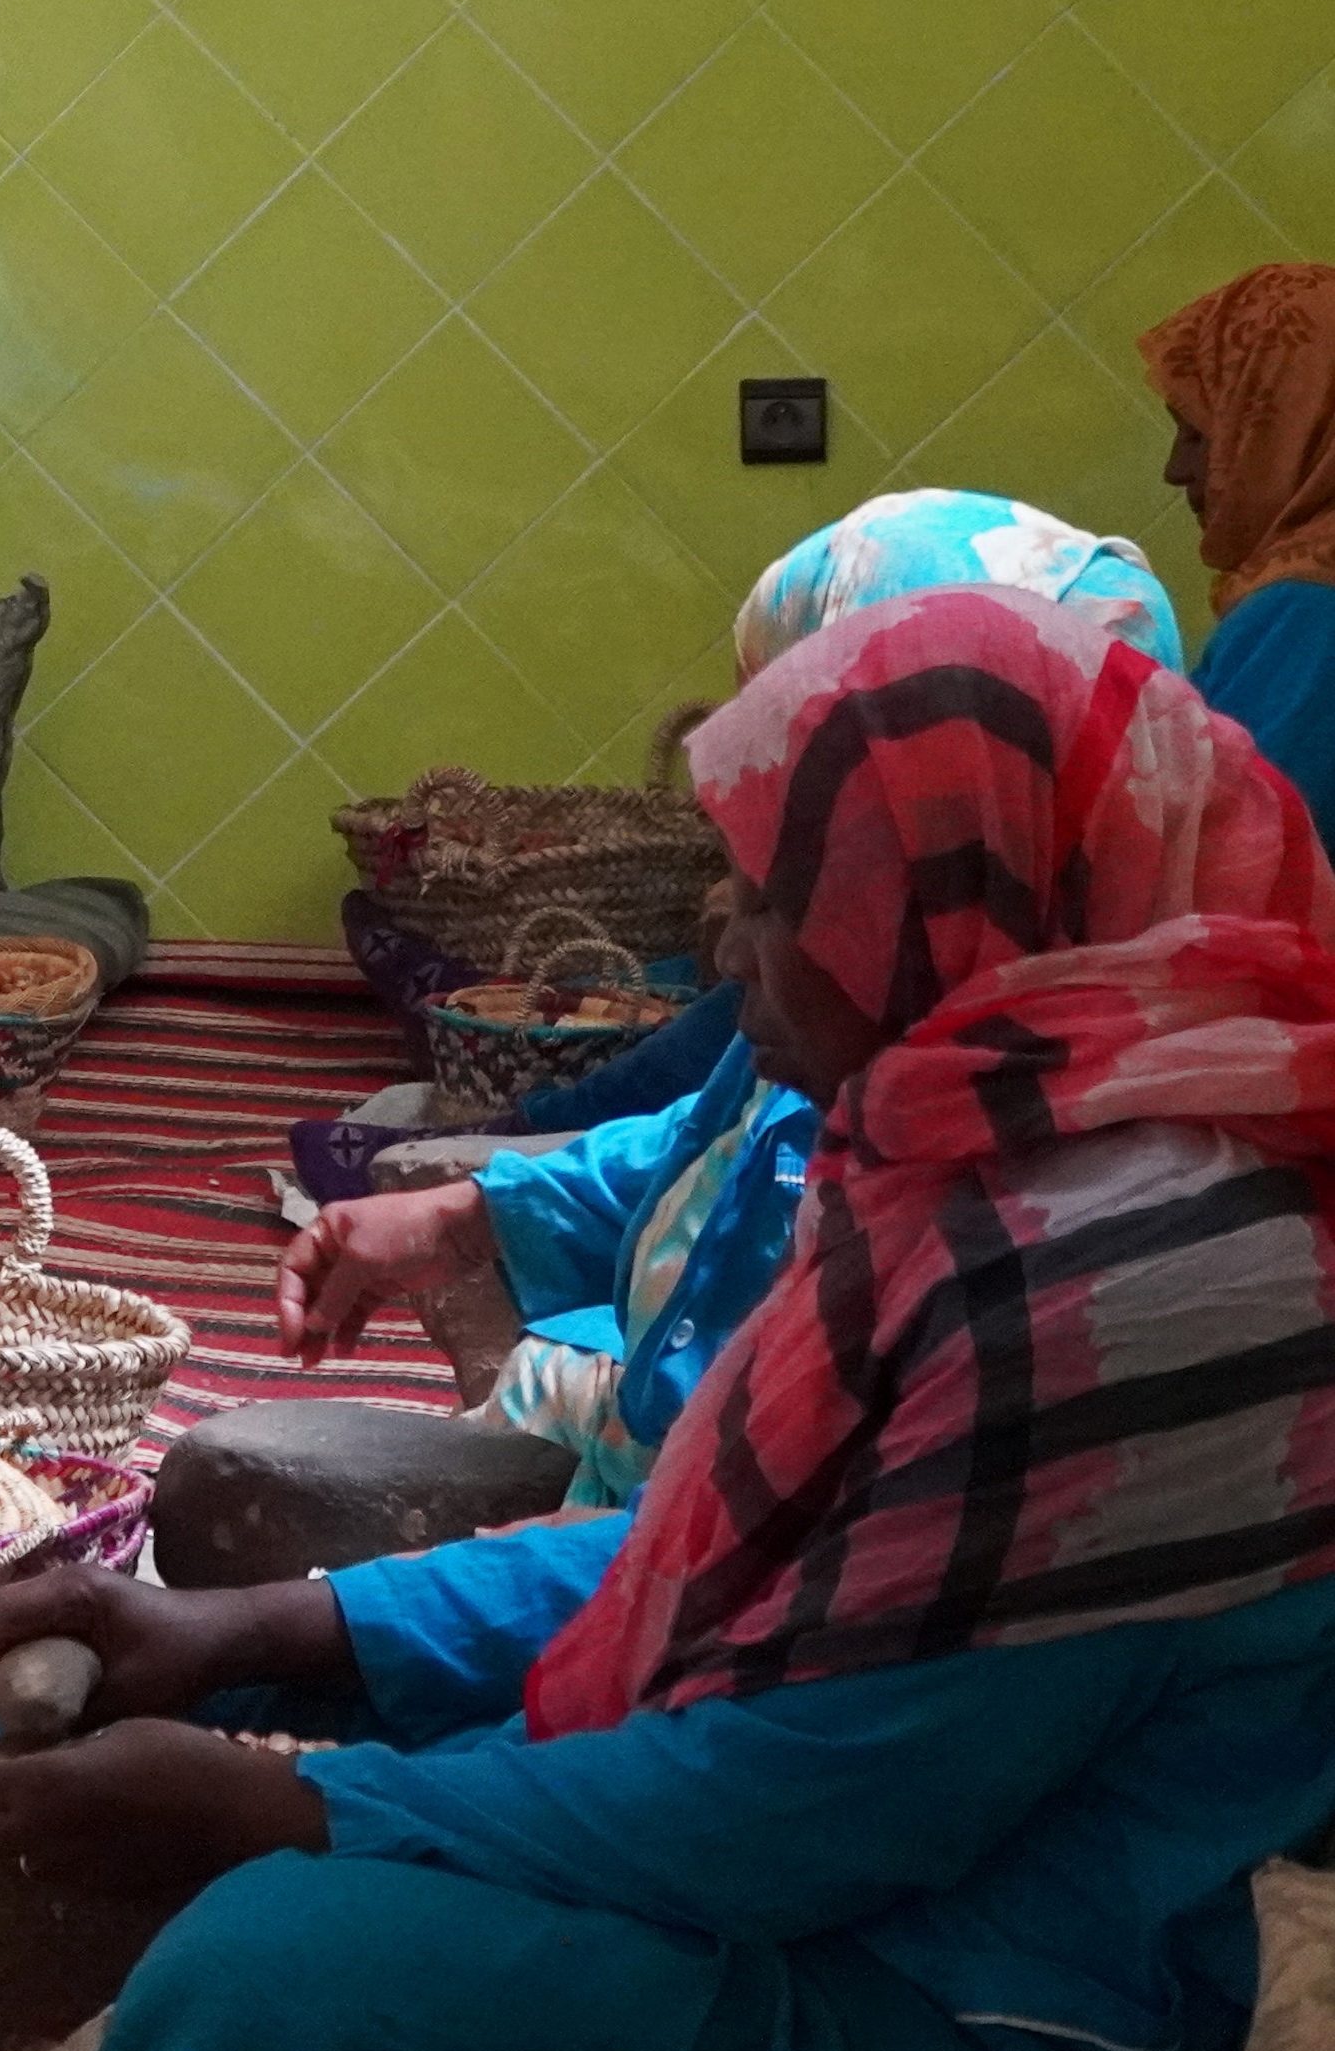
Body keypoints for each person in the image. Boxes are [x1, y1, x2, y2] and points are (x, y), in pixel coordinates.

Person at [0, 587, 1335, 2051]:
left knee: (276, 1974)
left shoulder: (1136, 1283)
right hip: (813, 1837)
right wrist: (263, 1635)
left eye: (770, 891)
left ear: (944, 909)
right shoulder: (974, 1136)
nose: (728, 943)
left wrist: (288, 1803)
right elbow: (742, 1549)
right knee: (79, 1694)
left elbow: (805, 1808)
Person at [279, 491, 1181, 1501]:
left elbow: (766, 1562)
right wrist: (465, 1215)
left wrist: (419, 1607)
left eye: (786, 882)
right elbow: (706, 1151)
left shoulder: (1018, 1231)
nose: (728, 951)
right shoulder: (848, 1049)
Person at [1152, 263, 1335, 813]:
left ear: (1284, 428)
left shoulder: (1307, 611)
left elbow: (1233, 859)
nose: (1176, 469)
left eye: (1199, 434)